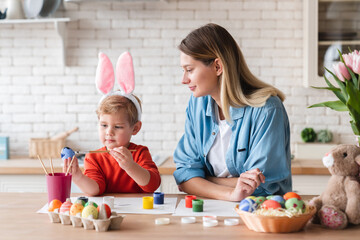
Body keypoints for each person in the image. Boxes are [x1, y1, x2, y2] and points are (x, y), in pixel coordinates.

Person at [173, 23, 291, 202]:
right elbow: (184, 176)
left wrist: (204, 180)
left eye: (189, 70)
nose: (184, 80)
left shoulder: (267, 110)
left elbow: (262, 186)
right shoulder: (197, 104)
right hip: (211, 210)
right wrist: (231, 193)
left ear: (218, 67)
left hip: (260, 214)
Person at [63, 52, 161, 196]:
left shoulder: (140, 153)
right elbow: (95, 190)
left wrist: (130, 166)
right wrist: (78, 177)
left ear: (135, 128)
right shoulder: (93, 158)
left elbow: (152, 185)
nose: (109, 132)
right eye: (104, 125)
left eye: (118, 127)